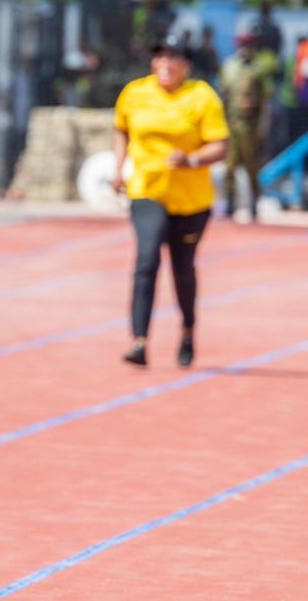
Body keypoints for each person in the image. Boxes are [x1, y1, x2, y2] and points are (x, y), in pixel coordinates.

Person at [111, 37, 228, 368]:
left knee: (182, 268)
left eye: (172, 57)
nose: (164, 63)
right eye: (159, 56)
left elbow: (221, 146)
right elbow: (120, 128)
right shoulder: (135, 93)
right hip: (147, 190)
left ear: (186, 65)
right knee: (146, 260)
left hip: (191, 199)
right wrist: (119, 168)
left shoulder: (201, 96)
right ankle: (139, 341)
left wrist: (191, 159)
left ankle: (188, 329)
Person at [218, 30, 274, 222]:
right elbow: (223, 97)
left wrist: (262, 129)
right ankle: (229, 204)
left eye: (247, 44)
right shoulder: (229, 66)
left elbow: (266, 102)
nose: (244, 48)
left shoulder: (258, 68)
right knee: (229, 166)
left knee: (252, 166)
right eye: (242, 44)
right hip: (231, 123)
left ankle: (254, 204)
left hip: (250, 124)